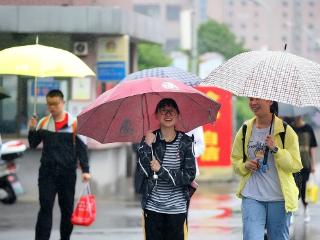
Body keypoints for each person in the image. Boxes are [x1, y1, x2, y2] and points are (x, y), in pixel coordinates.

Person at [231, 98, 302, 240]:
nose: (252, 103)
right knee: (252, 237)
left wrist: (276, 149)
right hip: (252, 196)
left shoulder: (286, 131)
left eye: (257, 99)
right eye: (251, 99)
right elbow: (236, 160)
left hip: (279, 198)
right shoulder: (245, 129)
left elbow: (295, 165)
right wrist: (245, 165)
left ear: (269, 101)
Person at [28, 89, 90, 240]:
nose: (52, 107)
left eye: (55, 104)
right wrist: (32, 128)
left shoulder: (74, 124)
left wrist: (85, 170)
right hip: (47, 173)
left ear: (63, 103)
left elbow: (82, 149)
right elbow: (33, 144)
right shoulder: (43, 122)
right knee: (45, 207)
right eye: (49, 104)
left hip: (67, 173)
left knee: (67, 210)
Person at [136, 98, 196, 240]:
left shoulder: (186, 142)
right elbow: (142, 171)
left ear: (178, 114)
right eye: (163, 111)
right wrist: (147, 145)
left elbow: (189, 175)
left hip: (177, 209)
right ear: (156, 115)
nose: (168, 114)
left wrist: (161, 170)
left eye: (172, 111)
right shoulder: (149, 140)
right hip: (152, 208)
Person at [291, 115, 318, 222]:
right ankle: (292, 211)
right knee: (294, 187)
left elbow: (311, 147)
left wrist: (313, 164)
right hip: (293, 163)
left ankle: (306, 210)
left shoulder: (308, 128)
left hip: (306, 162)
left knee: (304, 187)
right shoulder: (290, 129)